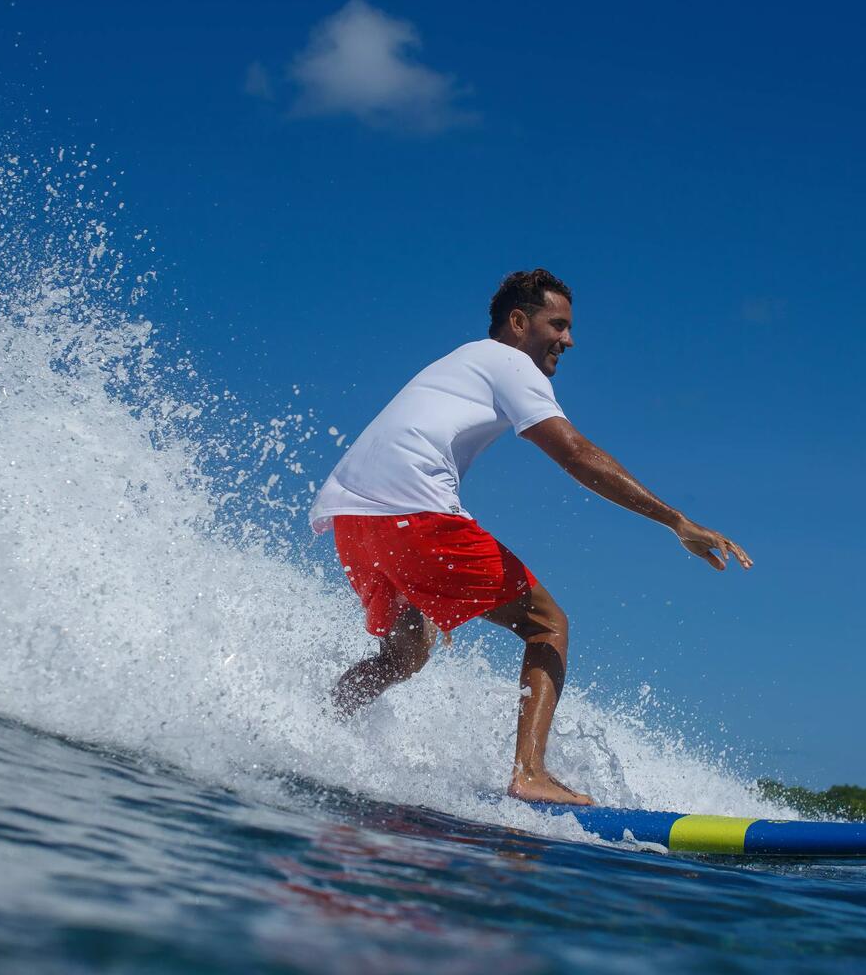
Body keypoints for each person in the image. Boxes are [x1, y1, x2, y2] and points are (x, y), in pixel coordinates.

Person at [309, 268, 752, 806]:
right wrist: (676, 520)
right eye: (557, 325)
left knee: (404, 655)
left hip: (352, 522)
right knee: (547, 623)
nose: (568, 340)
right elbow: (575, 453)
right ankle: (530, 773)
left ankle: (315, 726)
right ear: (519, 323)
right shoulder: (509, 361)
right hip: (413, 513)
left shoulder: (462, 361)